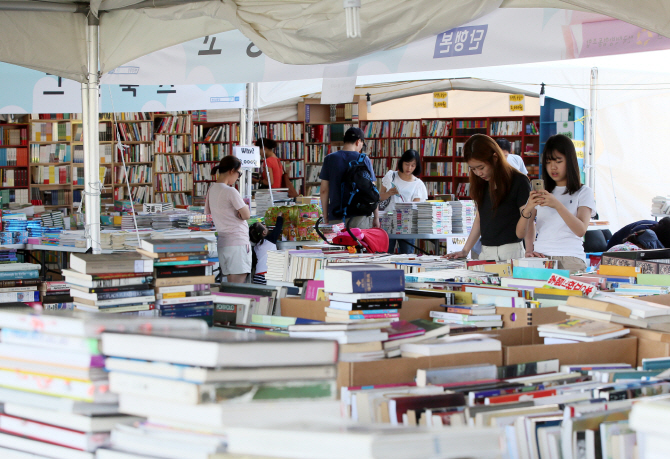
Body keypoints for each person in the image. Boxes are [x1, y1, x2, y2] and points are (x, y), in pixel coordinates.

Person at [445, 134, 531, 261]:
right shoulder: (481, 183)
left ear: (495, 157)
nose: (479, 173)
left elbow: (528, 218)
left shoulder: (519, 180)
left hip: (511, 251)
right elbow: (480, 218)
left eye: (481, 167)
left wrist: (529, 250)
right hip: (485, 251)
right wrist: (465, 250)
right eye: (473, 169)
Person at [522, 134, 596, 273]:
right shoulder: (541, 191)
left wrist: (557, 205)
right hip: (541, 257)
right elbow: (529, 222)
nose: (553, 167)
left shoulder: (583, 192)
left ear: (570, 161)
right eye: (548, 162)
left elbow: (580, 230)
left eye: (558, 161)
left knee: (569, 295)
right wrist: (529, 250)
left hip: (571, 258)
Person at [319, 127, 380, 229]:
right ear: (358, 141)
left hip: (336, 214)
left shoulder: (329, 159)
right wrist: (376, 217)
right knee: (358, 244)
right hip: (359, 216)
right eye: (362, 144)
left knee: (338, 244)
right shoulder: (364, 159)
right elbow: (372, 191)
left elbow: (324, 190)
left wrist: (326, 216)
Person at [205, 155, 251, 284]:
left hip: (223, 242)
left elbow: (209, 213)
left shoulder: (212, 189)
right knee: (237, 285)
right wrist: (243, 208)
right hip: (237, 241)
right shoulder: (230, 191)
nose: (238, 177)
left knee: (230, 283)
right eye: (239, 173)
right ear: (232, 171)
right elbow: (246, 215)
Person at [379, 149, 428, 254]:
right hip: (388, 222)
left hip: (406, 225)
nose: (409, 168)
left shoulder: (418, 184)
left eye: (413, 165)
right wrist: (389, 193)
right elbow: (378, 197)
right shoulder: (391, 176)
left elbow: (416, 208)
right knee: (384, 255)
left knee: (407, 256)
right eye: (407, 164)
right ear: (401, 162)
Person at [249, 213, 285, 285]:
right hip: (269, 276)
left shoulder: (256, 247)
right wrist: (279, 217)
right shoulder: (270, 240)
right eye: (265, 227)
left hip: (257, 277)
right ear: (264, 232)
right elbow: (277, 228)